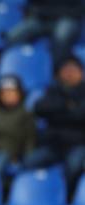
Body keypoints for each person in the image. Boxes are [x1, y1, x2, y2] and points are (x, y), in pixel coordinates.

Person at [32, 56, 85, 184]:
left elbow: (80, 115)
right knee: (30, 162)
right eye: (66, 70)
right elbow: (39, 108)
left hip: (78, 143)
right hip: (54, 143)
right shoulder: (54, 90)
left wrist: (57, 113)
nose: (69, 73)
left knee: (73, 166)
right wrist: (66, 105)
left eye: (73, 70)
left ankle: (67, 198)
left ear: (81, 73)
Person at [6, 0, 84, 61]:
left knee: (62, 36)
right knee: (14, 36)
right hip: (42, 18)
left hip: (66, 18)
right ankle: (14, 66)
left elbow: (78, 8)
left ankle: (55, 70)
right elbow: (32, 6)